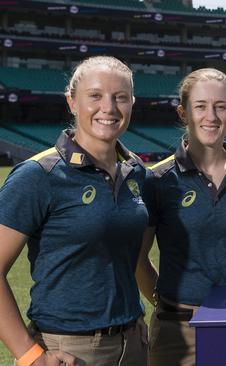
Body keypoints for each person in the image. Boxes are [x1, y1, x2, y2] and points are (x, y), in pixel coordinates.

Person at [0, 56, 148, 366]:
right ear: (72, 101)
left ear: (132, 103)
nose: (108, 107)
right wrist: (29, 356)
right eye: (95, 95)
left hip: (134, 341)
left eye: (120, 97)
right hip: (69, 350)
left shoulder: (135, 171)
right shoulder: (38, 175)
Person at [136, 68, 226, 366]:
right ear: (183, 112)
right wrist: (168, 305)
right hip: (177, 333)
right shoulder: (158, 180)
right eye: (201, 106)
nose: (212, 116)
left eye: (220, 107)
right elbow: (138, 260)